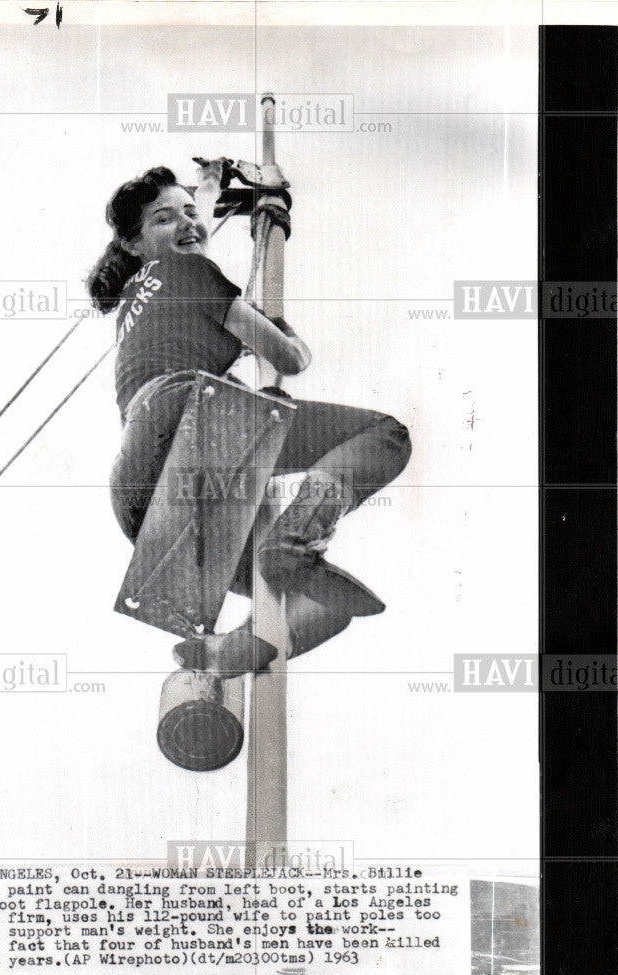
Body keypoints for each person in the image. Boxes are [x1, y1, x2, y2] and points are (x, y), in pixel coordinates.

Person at [88, 164, 411, 677]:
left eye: (192, 212)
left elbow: (197, 220)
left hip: (141, 495)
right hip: (189, 421)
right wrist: (283, 330)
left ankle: (224, 651)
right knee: (385, 434)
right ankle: (297, 537)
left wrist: (211, 189)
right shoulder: (189, 271)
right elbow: (289, 360)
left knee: (312, 603)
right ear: (133, 243)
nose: (188, 224)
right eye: (165, 218)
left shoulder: (136, 296)